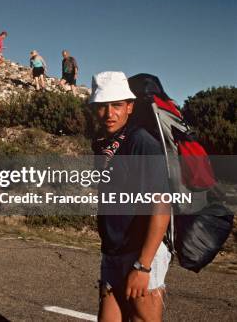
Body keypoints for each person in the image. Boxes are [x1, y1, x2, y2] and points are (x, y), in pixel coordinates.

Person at [90, 71, 171, 322]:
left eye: (117, 105)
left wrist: (143, 266)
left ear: (130, 107)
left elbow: (162, 207)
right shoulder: (103, 144)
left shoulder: (141, 143)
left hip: (141, 250)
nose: (110, 113)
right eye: (103, 106)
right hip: (113, 250)